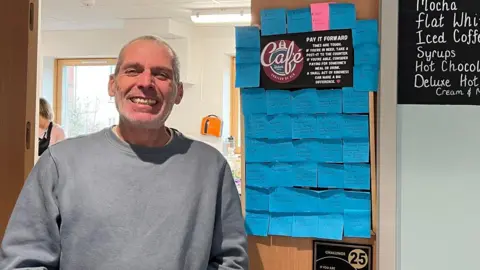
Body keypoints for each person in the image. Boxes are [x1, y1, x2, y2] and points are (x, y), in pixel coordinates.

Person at [0, 35, 249, 270]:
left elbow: (230, 260)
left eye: (161, 74)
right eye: (132, 70)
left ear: (179, 92)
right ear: (112, 85)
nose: (145, 83)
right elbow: (23, 260)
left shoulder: (210, 167)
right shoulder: (60, 163)